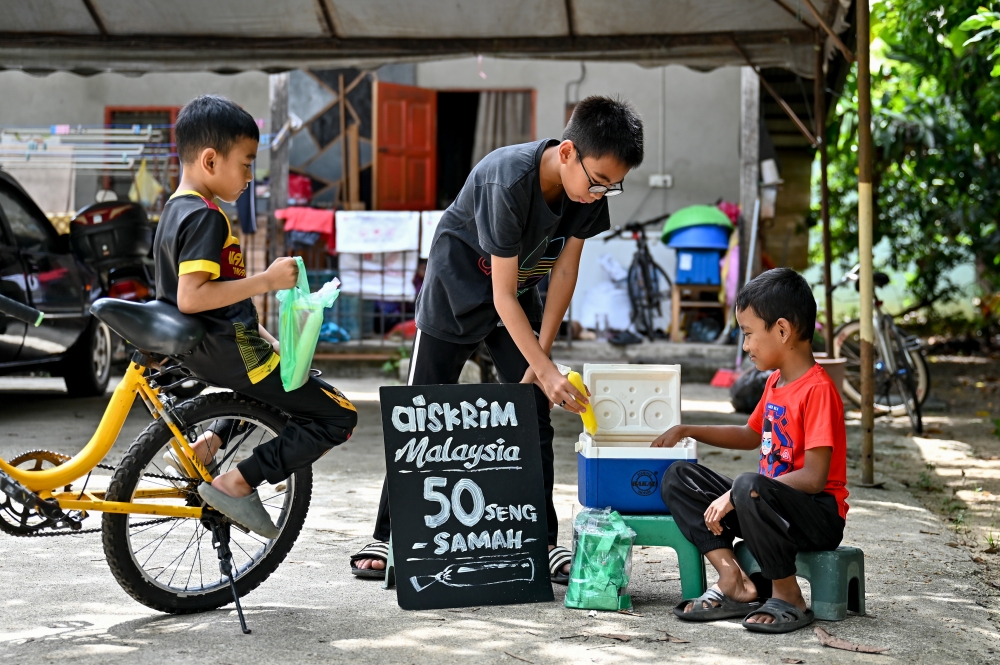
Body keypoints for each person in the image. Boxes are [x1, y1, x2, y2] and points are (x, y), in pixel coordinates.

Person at [350, 96, 645, 582]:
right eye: (597, 182)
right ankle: (386, 534)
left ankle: (542, 539)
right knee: (418, 415)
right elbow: (500, 295)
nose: (599, 195)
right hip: (457, 293)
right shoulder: (507, 179)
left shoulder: (586, 194)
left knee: (534, 413)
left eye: (612, 188)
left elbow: (565, 270)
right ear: (568, 152)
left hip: (517, 297)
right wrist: (547, 371)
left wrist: (541, 359)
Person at [153, 95, 358, 538]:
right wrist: (266, 281)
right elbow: (192, 296)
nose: (250, 176)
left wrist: (272, 338)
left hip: (210, 349)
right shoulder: (208, 219)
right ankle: (238, 482)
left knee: (279, 381)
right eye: (246, 164)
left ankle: (208, 445)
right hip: (230, 352)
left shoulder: (174, 210)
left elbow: (225, 304)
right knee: (339, 415)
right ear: (210, 160)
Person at [653, 268, 848, 634]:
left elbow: (814, 477)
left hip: (815, 515)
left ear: (782, 330)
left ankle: (788, 595)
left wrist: (735, 495)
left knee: (747, 485)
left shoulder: (817, 390)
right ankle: (734, 581)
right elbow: (750, 434)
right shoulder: (776, 381)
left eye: (748, 334)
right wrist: (688, 428)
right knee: (679, 476)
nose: (745, 346)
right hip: (765, 505)